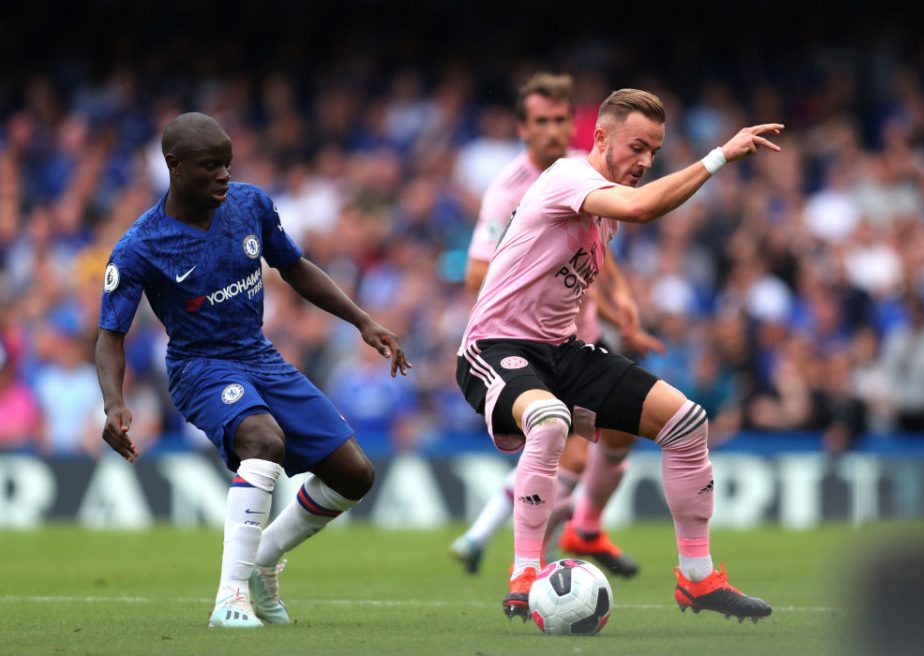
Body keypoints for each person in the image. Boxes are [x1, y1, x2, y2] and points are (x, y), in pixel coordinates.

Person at [456, 88, 781, 621]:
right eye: (637, 147)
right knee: (550, 418)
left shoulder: (598, 205)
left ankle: (697, 580)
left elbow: (582, 270)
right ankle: (525, 572)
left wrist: (623, 314)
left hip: (562, 352)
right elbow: (643, 208)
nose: (646, 161)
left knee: (686, 422)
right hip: (496, 345)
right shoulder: (567, 176)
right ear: (601, 137)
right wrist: (719, 155)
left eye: (654, 150)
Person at [95, 112, 411, 629]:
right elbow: (110, 336)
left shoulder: (250, 204)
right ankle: (230, 598)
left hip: (259, 355)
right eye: (210, 166)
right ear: (173, 166)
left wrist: (362, 321)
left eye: (227, 164)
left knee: (355, 475)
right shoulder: (139, 246)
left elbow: (295, 266)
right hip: (201, 367)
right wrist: (114, 403)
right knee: (264, 440)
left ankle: (262, 560)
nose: (223, 175)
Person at [449, 73, 664, 579]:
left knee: (618, 435)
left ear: (579, 125)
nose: (552, 131)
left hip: (579, 339)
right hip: (524, 342)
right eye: (540, 122)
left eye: (561, 120)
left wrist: (621, 307)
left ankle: (574, 531)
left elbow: (596, 250)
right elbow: (478, 273)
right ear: (522, 129)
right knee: (561, 446)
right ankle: (528, 556)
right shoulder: (509, 192)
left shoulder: (594, 173)